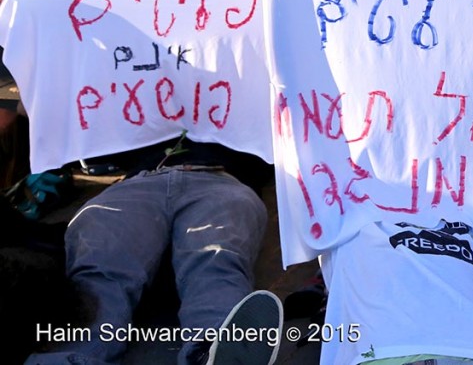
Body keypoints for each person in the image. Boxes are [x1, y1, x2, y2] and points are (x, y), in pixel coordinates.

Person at [25, 136, 282, 365]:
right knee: (99, 265)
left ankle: (214, 347)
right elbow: (95, 145)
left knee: (216, 258)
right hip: (139, 183)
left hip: (220, 179)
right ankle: (70, 357)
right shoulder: (148, 115)